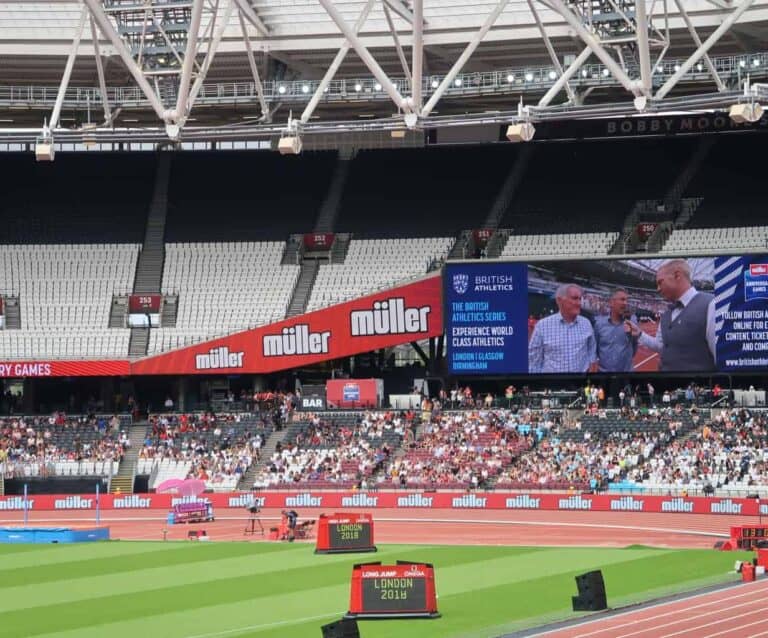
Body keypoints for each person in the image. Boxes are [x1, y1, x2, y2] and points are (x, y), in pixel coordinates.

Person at [625, 259, 715, 371]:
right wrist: (639, 334)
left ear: (677, 275)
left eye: (660, 282)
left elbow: (720, 356)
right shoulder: (666, 314)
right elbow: (662, 346)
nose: (657, 289)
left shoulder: (711, 305)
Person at [528, 284, 597, 373]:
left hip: (580, 383)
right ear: (559, 301)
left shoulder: (586, 323)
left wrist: (591, 365)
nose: (579, 303)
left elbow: (591, 349)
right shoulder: (542, 326)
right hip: (553, 384)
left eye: (580, 299)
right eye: (574, 298)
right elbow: (534, 362)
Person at [594, 289, 639, 373]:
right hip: (604, 374)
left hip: (627, 373)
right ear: (611, 302)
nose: (625, 303)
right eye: (622, 299)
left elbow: (634, 347)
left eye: (626, 300)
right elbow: (596, 349)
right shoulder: (599, 324)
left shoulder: (632, 322)